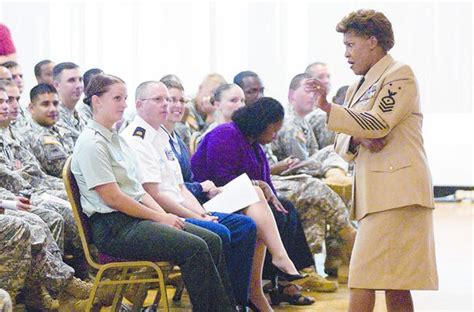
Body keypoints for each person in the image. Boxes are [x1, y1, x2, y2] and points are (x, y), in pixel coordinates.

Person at [305, 9, 438, 311]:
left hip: (398, 193)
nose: (346, 54)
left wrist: (329, 108)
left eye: (350, 45)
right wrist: (355, 136)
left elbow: (377, 124)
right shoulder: (355, 87)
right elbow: (340, 141)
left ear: (372, 42)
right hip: (376, 194)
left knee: (363, 276)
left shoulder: (399, 75)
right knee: (395, 283)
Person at [72, 73, 236, 312]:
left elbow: (138, 190)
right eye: (117, 98)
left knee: (212, 238)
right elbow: (113, 198)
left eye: (125, 98)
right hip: (114, 228)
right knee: (196, 248)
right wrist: (160, 217)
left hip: (135, 219)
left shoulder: (114, 138)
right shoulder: (92, 143)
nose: (124, 104)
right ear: (96, 101)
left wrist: (167, 217)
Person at [121, 80, 257, 310]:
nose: (166, 104)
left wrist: (202, 213)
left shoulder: (162, 136)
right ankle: (217, 305)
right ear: (139, 105)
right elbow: (154, 193)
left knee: (245, 226)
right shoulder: (137, 139)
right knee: (218, 232)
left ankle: (237, 302)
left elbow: (180, 188)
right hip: (162, 214)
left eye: (168, 99)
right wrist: (196, 217)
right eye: (159, 100)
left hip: (181, 207)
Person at [192, 97, 317, 309]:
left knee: (285, 209)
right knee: (262, 202)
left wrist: (272, 197)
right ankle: (277, 270)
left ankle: (276, 282)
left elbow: (266, 182)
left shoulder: (254, 145)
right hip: (205, 198)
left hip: (238, 199)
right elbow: (219, 177)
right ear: (261, 123)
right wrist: (258, 185)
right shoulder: (225, 134)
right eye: (274, 129)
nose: (275, 135)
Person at [304, 62, 337, 148]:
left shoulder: (330, 106)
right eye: (320, 77)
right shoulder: (304, 108)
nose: (326, 81)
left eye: (328, 77)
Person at [53, 62, 84, 143]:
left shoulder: (80, 117)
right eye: (71, 80)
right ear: (57, 85)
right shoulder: (53, 117)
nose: (78, 85)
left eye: (80, 80)